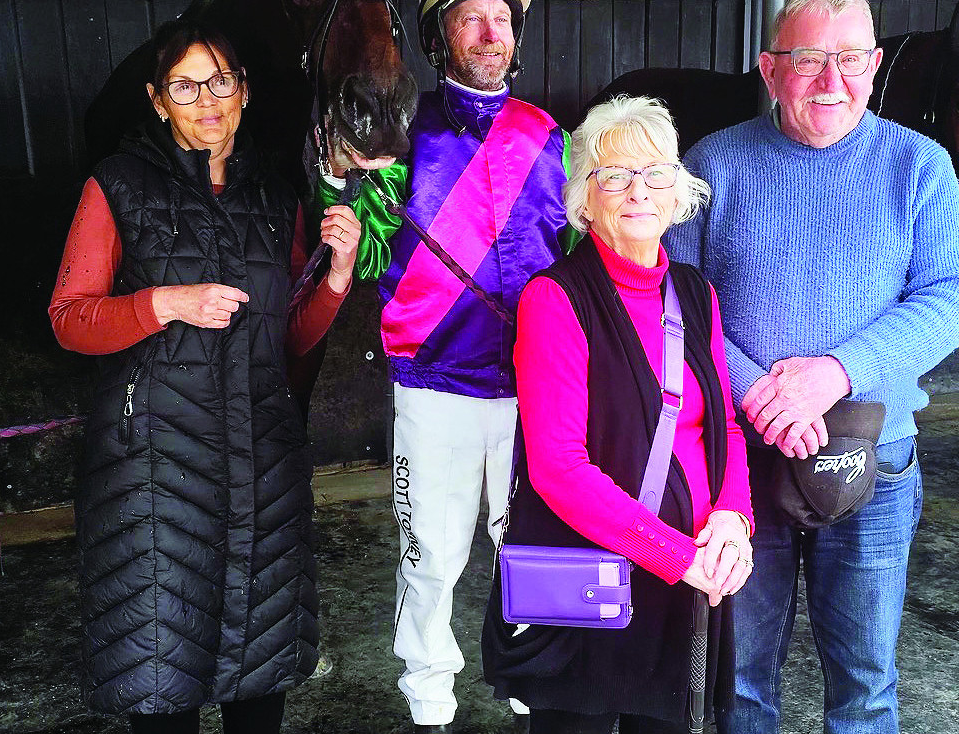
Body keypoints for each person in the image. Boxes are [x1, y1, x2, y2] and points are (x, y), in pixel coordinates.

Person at [665, 1, 959, 732]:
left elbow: (946, 303)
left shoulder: (919, 167)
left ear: (873, 64)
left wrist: (831, 375)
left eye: (850, 58)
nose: (829, 78)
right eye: (806, 59)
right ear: (771, 70)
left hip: (878, 463)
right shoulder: (711, 163)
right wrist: (761, 396)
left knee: (865, 682)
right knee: (738, 680)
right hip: (742, 462)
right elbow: (675, 304)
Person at [48, 20, 359, 734]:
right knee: (161, 674)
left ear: (243, 92)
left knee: (262, 676)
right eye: (186, 86)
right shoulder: (117, 185)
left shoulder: (276, 196)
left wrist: (336, 278)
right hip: (155, 469)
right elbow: (69, 317)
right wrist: (164, 303)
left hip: (264, 466)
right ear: (159, 102)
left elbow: (288, 340)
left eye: (220, 81)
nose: (206, 100)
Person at [316, 1, 573, 731]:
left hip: (537, 390)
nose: (491, 35)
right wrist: (338, 194)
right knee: (432, 554)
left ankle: (536, 680)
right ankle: (428, 697)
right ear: (436, 38)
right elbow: (365, 256)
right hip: (435, 385)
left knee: (535, 542)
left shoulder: (550, 138)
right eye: (471, 19)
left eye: (502, 19)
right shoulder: (399, 135)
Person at [482, 95, 754, 734]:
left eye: (655, 173)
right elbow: (558, 470)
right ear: (585, 197)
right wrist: (677, 555)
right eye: (615, 175)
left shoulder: (695, 293)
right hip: (592, 581)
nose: (638, 190)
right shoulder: (554, 299)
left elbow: (725, 427)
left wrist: (733, 520)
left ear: (678, 190)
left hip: (683, 578)